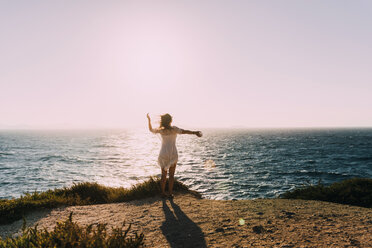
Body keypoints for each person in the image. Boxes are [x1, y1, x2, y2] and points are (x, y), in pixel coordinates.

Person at [147, 113, 202, 198]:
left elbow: (151, 129)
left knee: (163, 175)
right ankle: (170, 193)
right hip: (172, 153)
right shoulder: (174, 129)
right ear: (170, 120)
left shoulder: (161, 130)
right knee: (171, 175)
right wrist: (195, 132)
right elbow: (185, 131)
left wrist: (149, 120)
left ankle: (162, 193)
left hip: (163, 153)